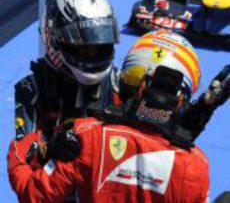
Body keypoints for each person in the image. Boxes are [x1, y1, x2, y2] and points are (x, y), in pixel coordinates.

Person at [8, 31, 219, 203]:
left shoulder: (87, 138)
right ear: (182, 98)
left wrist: (38, 146)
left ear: (138, 84)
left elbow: (33, 193)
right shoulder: (196, 165)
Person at [14, 0, 120, 161]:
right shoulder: (31, 89)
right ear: (53, 38)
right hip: (57, 181)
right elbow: (21, 165)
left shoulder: (118, 82)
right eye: (83, 47)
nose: (92, 54)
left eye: (98, 45)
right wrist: (50, 151)